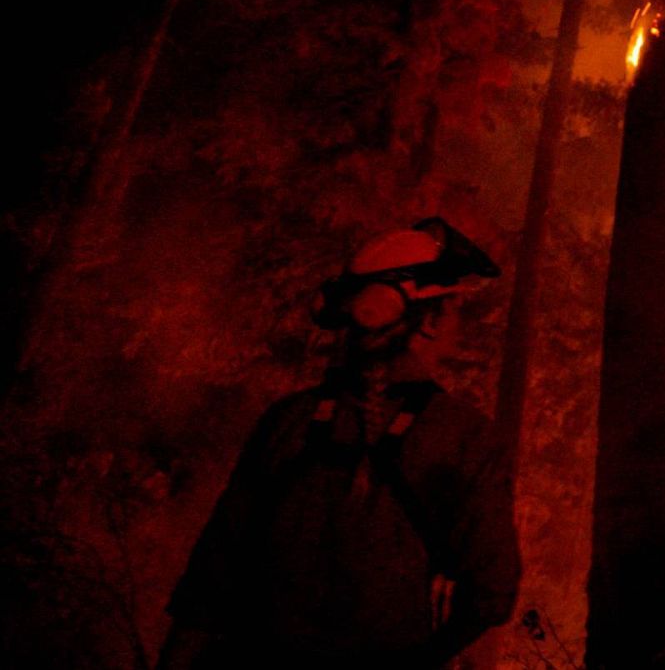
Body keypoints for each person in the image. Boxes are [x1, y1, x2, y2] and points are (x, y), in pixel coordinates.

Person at [157, 218, 520, 670]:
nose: (459, 325)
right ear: (427, 321)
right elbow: (493, 592)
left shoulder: (288, 421)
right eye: (454, 311)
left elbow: (211, 577)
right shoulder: (467, 437)